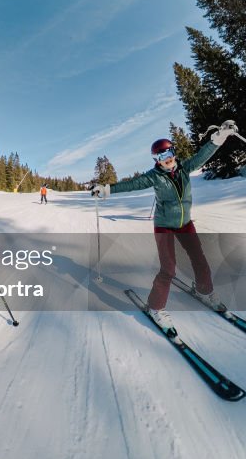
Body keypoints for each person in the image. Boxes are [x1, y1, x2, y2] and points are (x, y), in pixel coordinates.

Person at [91, 122, 237, 334]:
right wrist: (106, 189)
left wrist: (219, 137)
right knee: (168, 268)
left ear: (173, 153)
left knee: (200, 259)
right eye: (161, 157)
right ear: (156, 160)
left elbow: (203, 155)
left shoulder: (185, 168)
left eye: (168, 153)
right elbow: (132, 184)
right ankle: (156, 307)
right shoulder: (154, 176)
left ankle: (204, 291)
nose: (166, 159)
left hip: (185, 224)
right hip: (164, 226)